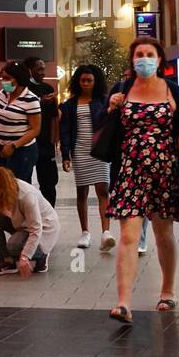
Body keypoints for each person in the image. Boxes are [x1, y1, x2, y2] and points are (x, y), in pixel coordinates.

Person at [106, 37, 179, 324]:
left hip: (164, 169)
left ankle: (167, 290)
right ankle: (123, 303)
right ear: (132, 60)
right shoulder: (121, 90)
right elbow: (104, 126)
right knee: (129, 235)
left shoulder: (173, 91)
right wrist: (111, 107)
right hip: (130, 169)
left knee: (162, 233)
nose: (143, 59)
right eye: (139, 54)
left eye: (149, 54)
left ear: (159, 60)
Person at [59, 64, 113, 251]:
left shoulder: (103, 102)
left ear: (96, 81)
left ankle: (106, 233)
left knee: (103, 190)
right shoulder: (69, 105)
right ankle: (85, 232)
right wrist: (65, 155)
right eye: (83, 80)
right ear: (77, 82)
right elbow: (64, 131)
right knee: (81, 192)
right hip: (79, 151)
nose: (86, 83)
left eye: (89, 80)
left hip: (99, 152)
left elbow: (109, 126)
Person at [0, 166, 59, 277]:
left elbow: (36, 229)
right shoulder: (7, 189)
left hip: (44, 229)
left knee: (13, 246)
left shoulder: (27, 196)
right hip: (23, 224)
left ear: (4, 186)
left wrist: (24, 257)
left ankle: (42, 254)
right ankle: (7, 261)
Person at [0, 60, 41, 182]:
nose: (3, 81)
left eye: (7, 78)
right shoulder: (4, 94)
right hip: (3, 149)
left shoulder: (31, 99)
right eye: (2, 78)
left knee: (16, 189)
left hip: (22, 151)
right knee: (3, 187)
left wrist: (14, 145)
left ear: (18, 79)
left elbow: (35, 129)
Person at [24, 56, 60, 208]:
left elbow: (54, 118)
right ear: (30, 70)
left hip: (45, 144)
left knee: (49, 182)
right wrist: (40, 101)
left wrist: (54, 143)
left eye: (43, 69)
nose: (42, 72)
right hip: (26, 142)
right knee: (24, 182)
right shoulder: (23, 88)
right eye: (39, 69)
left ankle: (49, 213)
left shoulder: (48, 89)